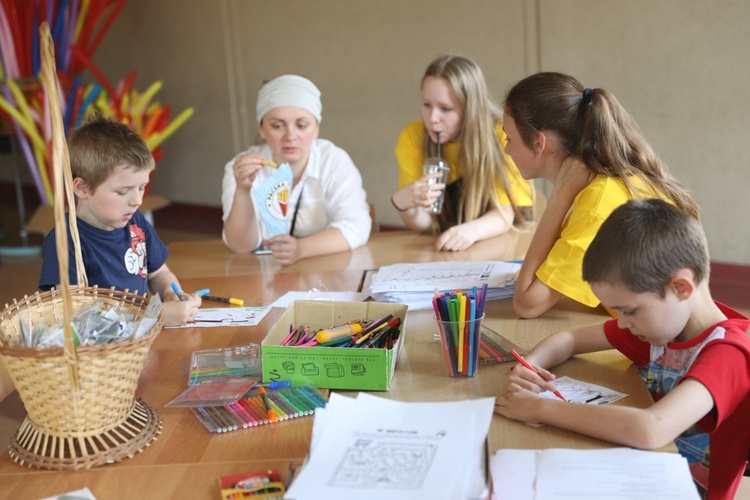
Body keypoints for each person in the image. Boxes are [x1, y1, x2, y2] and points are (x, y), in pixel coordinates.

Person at [494, 199, 750, 500]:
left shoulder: (730, 353)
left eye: (628, 311)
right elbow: (569, 340)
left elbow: (651, 429)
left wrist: (540, 408)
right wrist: (531, 366)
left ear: (681, 288)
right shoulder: (661, 326)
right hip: (637, 469)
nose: (623, 324)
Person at [503, 72, 700, 318]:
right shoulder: (613, 179)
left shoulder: (598, 203)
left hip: (660, 347)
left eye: (510, 138)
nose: (506, 148)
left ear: (539, 143)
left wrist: (559, 197)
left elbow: (527, 305)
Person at [39, 115, 200, 327]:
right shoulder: (66, 241)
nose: (137, 200)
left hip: (141, 345)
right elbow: (73, 317)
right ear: (82, 188)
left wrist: (170, 292)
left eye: (141, 187)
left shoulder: (136, 222)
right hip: (103, 354)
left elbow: (159, 272)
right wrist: (154, 318)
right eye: (123, 191)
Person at [221, 74, 371, 266]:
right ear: (261, 129)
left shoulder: (333, 160)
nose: (290, 136)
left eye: (301, 125)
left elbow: (357, 225)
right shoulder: (242, 168)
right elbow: (241, 247)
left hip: (322, 269)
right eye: (277, 126)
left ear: (316, 128)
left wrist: (301, 249)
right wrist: (242, 190)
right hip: (260, 273)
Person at [391, 55, 533, 252]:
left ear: (470, 108)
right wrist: (403, 205)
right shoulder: (412, 137)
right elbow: (426, 224)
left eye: (445, 109)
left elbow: (505, 214)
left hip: (501, 247)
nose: (432, 118)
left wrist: (470, 231)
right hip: (449, 253)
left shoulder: (503, 135)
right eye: (426, 105)